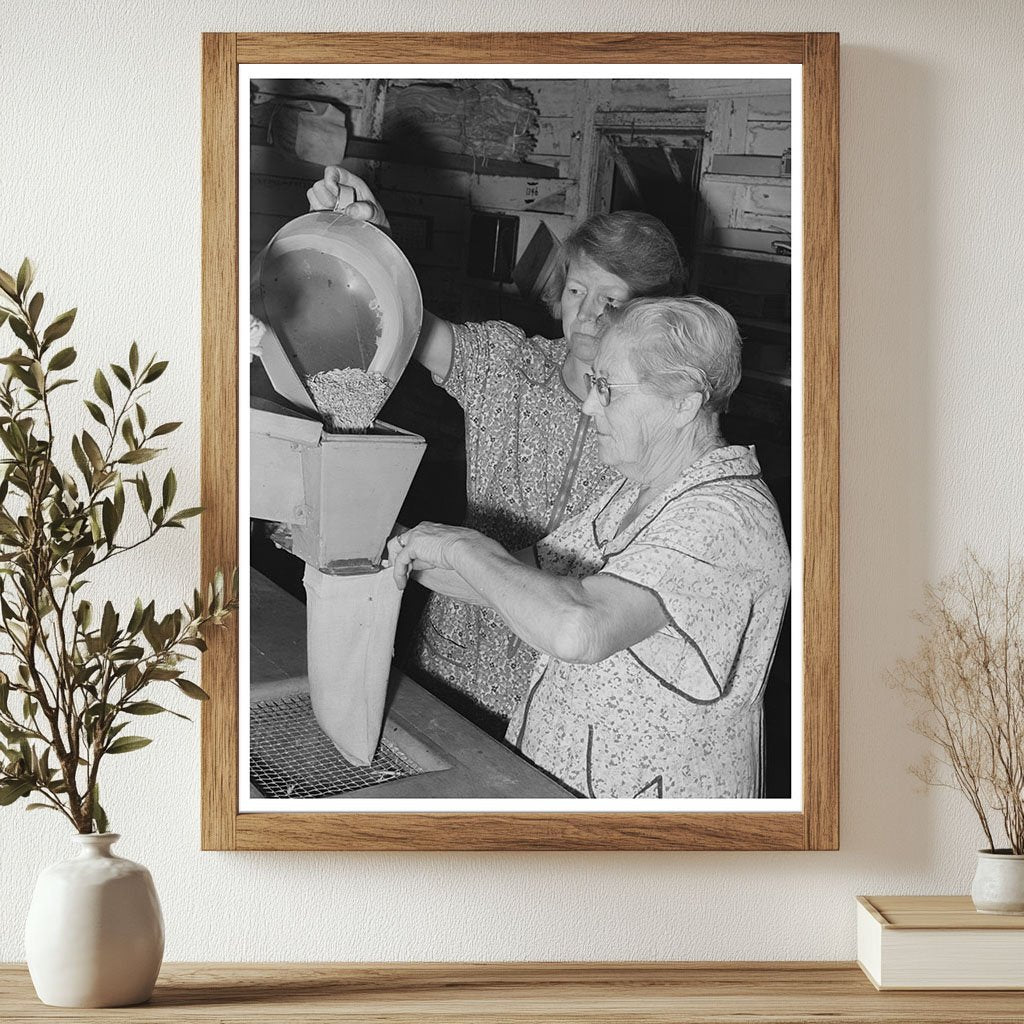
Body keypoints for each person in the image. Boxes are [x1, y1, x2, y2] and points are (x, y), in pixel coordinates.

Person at [307, 167, 688, 729]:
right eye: (578, 291)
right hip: (453, 658)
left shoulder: (657, 428)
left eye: (613, 300)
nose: (587, 315)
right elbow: (409, 326)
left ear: (652, 317)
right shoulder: (506, 365)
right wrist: (373, 238)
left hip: (560, 684)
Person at [385, 296, 790, 799]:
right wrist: (386, 547)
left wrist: (462, 547)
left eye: (607, 388)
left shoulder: (726, 519)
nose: (587, 404)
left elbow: (578, 628)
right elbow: (512, 580)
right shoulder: (634, 491)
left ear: (684, 401)